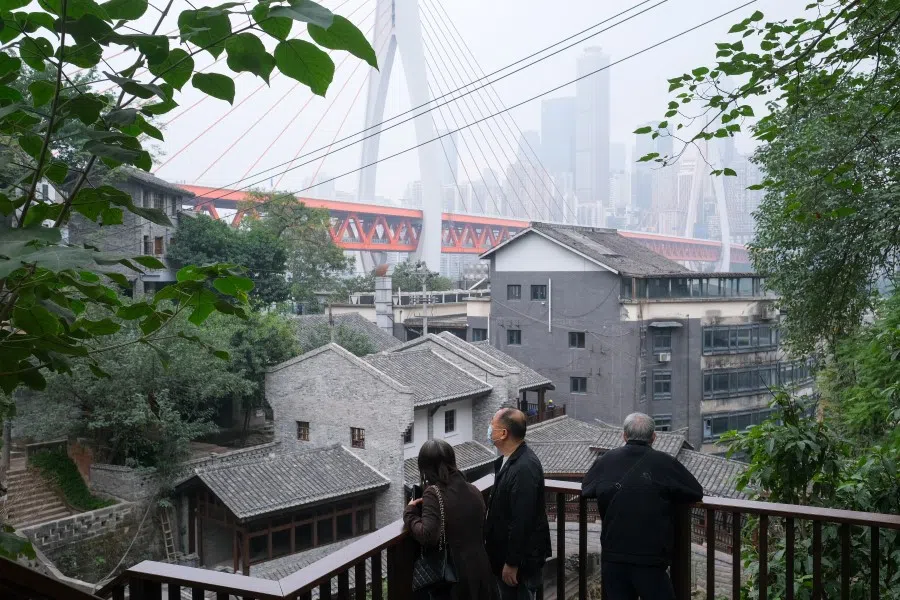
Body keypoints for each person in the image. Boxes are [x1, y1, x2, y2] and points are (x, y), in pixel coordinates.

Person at [582, 413, 704, 600]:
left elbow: (587, 489)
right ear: (653, 437)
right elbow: (695, 491)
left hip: (614, 553)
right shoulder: (664, 462)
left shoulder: (606, 460)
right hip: (650, 556)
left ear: (624, 436)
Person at [404, 440, 496, 600]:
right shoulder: (473, 489)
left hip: (455, 575)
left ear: (425, 467)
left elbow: (428, 535)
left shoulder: (433, 493)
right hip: (481, 568)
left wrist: (410, 513)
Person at [483, 408, 551, 600]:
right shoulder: (513, 460)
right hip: (507, 557)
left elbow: (522, 520)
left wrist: (512, 562)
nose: (489, 429)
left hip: (520, 565)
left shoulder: (524, 469)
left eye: (492, 425)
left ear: (503, 433)